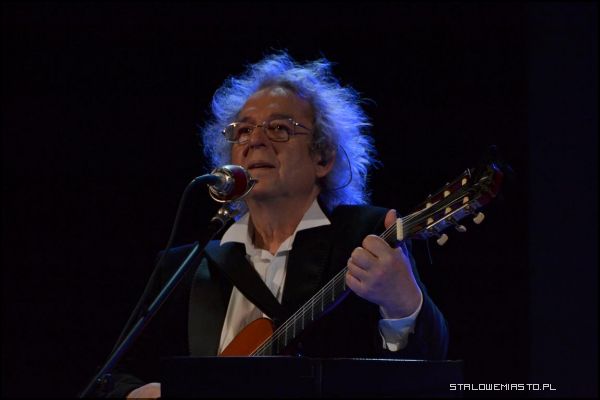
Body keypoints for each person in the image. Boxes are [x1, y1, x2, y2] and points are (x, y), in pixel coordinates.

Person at [100, 51, 448, 398]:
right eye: (243, 130)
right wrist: (136, 394)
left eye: (279, 128)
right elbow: (111, 379)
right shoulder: (185, 267)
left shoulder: (368, 237)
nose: (254, 140)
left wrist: (404, 305)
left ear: (323, 157)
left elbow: (429, 381)